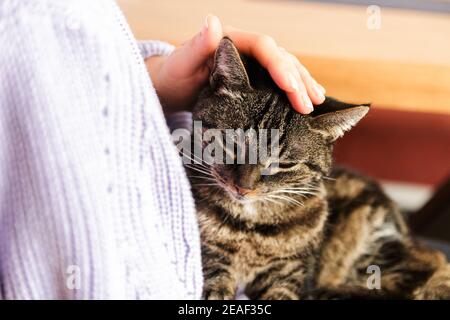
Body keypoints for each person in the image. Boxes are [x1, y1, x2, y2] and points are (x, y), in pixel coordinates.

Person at [0, 0, 325, 299]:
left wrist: (154, 83)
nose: (244, 185)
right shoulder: (26, 20)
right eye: (232, 151)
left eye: (272, 166)